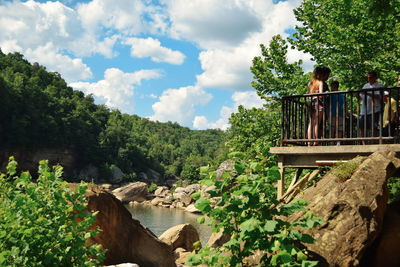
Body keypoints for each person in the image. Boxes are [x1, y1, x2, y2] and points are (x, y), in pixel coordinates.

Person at [358, 71, 384, 142]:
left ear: (375, 77)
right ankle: (363, 144)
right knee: (361, 127)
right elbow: (361, 97)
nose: (369, 79)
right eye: (368, 77)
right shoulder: (365, 85)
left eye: (371, 77)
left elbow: (380, 97)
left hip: (375, 109)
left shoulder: (380, 85)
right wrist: (357, 95)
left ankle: (374, 143)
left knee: (374, 127)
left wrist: (368, 93)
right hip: (364, 110)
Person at [307, 66, 331, 145]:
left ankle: (309, 141)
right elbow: (321, 94)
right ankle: (316, 141)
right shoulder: (320, 82)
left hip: (311, 103)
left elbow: (309, 94)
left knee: (311, 123)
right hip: (318, 104)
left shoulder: (311, 83)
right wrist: (325, 94)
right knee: (317, 123)